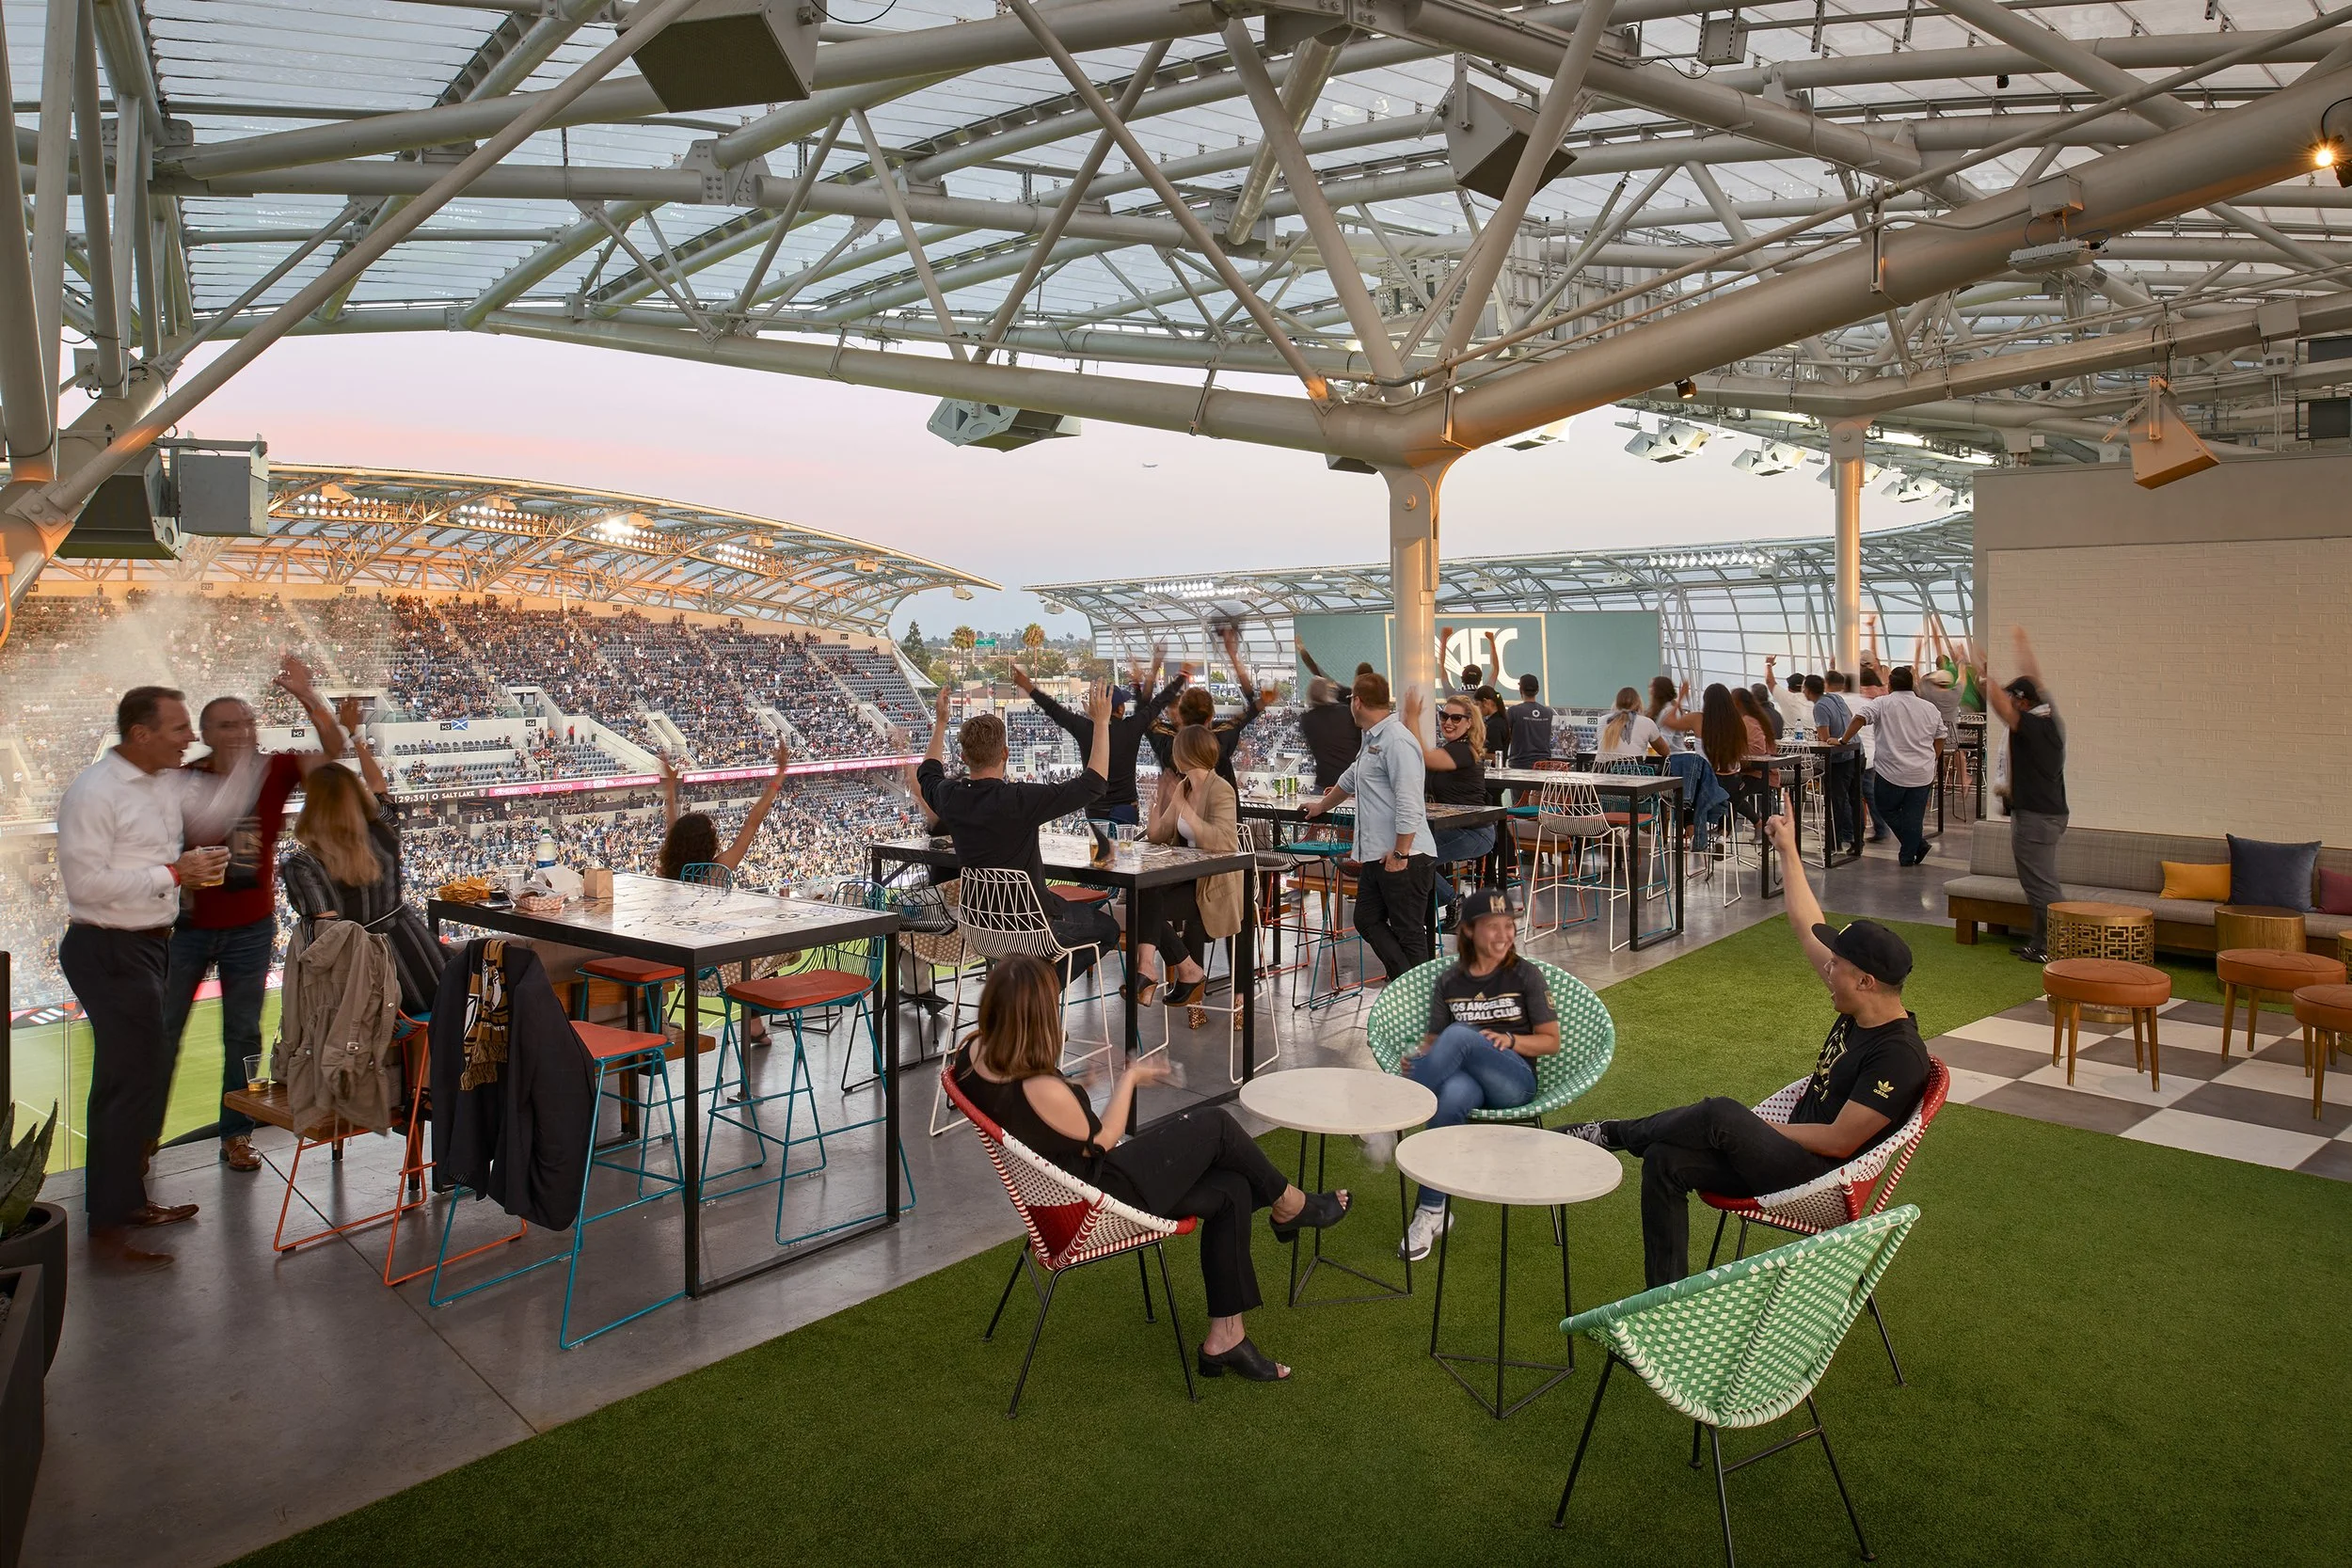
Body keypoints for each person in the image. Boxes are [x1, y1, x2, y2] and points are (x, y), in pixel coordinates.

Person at [1564, 812, 1930, 1286]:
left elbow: (1840, 1141)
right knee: (1664, 1160)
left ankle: (1610, 1133)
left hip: (1820, 1177)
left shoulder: (1898, 1055)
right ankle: (1665, 1298)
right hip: (1784, 1156)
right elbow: (1808, 925)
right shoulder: (1862, 1005)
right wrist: (1788, 850)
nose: (1827, 969)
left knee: (1721, 1114)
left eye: (1836, 965)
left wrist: (1755, 1128)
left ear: (1865, 981)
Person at [952, 955, 1348, 1381]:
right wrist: (1130, 1078)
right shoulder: (1040, 1087)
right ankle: (1290, 1203)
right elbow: (1103, 1140)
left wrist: (1077, 1087)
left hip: (1059, 1196)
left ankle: (1226, 1339)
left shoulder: (973, 1053)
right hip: (1098, 1201)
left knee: (1232, 1189)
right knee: (1217, 1126)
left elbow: (1033, 1116)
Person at [56, 687, 224, 1268]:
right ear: (140, 734)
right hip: (108, 948)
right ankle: (107, 1228)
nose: (189, 738)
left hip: (149, 946)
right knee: (126, 1085)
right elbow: (85, 886)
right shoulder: (94, 792)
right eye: (179, 728)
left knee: (140, 1078)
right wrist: (175, 874)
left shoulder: (161, 783)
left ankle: (126, 1204)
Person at [166, 654, 344, 1174]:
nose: (241, 732)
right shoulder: (182, 779)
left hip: (250, 927)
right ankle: (140, 1142)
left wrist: (307, 695)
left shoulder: (273, 769)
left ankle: (237, 1136)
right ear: (206, 734)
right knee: (164, 1031)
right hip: (187, 927)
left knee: (242, 1034)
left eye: (247, 722)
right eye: (228, 724)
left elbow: (333, 751)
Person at [919, 681, 1120, 977]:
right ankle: (1042, 992)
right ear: (1005, 753)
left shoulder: (950, 796)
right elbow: (1094, 784)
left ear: (963, 757)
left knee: (1062, 908)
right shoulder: (1021, 799)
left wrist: (940, 723)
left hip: (979, 929)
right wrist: (1101, 724)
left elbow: (928, 772)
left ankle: (1026, 990)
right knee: (1109, 929)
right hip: (1033, 928)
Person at [1396, 888, 1555, 1260]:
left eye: (1508, 925)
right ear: (1468, 930)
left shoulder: (1525, 975)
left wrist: (1510, 1040)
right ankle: (1432, 1211)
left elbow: (1550, 1041)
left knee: (1461, 1035)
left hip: (1514, 1082)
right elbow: (1434, 1042)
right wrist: (1420, 1059)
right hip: (1470, 1082)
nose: (1504, 935)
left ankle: (1394, 1116)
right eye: (1493, 926)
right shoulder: (1450, 981)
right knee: (1450, 1097)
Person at [1303, 672, 1433, 984]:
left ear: (1357, 702)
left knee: (1409, 932)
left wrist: (1400, 853)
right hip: (1377, 854)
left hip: (1404, 856)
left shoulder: (1397, 741)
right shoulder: (1373, 738)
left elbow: (1410, 801)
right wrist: (1321, 806)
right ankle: (1406, 985)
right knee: (1365, 918)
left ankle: (1419, 999)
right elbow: (1350, 778)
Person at [1136, 724, 1243, 1026]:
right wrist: (1157, 804)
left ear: (1185, 754)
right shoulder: (1183, 787)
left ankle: (1166, 971)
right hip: (1189, 881)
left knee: (1147, 903)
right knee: (1144, 893)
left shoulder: (1221, 789)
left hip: (1216, 886)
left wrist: (1184, 808)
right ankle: (1158, 969)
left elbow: (1224, 841)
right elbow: (1158, 835)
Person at [1013, 645, 1182, 826]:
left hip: (1094, 809)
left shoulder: (1084, 728)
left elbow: (1054, 709)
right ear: (1120, 709)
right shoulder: (1131, 727)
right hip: (1126, 809)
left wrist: (1028, 686)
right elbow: (1158, 703)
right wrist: (1182, 676)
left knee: (1098, 845)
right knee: (1125, 844)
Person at [1986, 628, 2066, 962]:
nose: (2011, 704)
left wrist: (1982, 673)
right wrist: (2022, 645)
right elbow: (2036, 680)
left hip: (2035, 817)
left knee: (2040, 885)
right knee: (2038, 882)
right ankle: (2040, 941)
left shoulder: (2033, 727)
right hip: (2046, 814)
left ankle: (2052, 946)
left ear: (2023, 702)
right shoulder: (2048, 716)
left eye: (2014, 699)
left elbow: (2003, 708)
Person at [1837, 666, 1946, 867]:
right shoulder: (1929, 707)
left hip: (1891, 772)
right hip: (1922, 773)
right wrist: (1933, 758)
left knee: (1885, 808)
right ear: (1912, 684)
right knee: (1914, 817)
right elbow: (1941, 736)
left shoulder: (1882, 703)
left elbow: (1859, 718)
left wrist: (1843, 740)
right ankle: (1909, 854)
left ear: (1890, 686)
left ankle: (1917, 846)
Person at [1399, 689, 1492, 923]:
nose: (1448, 722)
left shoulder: (1464, 750)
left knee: (1413, 857)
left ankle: (1451, 900)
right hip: (1450, 827)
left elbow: (1425, 757)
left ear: (1469, 723)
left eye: (1456, 718)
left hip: (1474, 832)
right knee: (1406, 852)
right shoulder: (1451, 748)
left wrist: (1412, 717)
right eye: (1444, 716)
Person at [655, 735, 792, 880]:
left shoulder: (667, 873)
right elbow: (753, 822)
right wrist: (780, 774)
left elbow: (673, 830)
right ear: (708, 843)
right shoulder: (716, 872)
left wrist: (670, 785)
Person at [1149, 625, 1259, 792]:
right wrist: (1233, 656)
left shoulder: (1166, 738)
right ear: (1210, 716)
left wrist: (1157, 665)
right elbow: (1253, 706)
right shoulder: (1221, 734)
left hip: (1183, 806)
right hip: (1223, 806)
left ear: (1181, 715)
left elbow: (1145, 709)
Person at [1807, 673, 1862, 855]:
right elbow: (1850, 717)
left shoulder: (1819, 707)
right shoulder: (1835, 698)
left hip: (1841, 758)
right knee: (1855, 799)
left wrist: (1826, 738)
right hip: (1857, 752)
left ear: (1807, 690)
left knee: (1836, 802)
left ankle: (1834, 843)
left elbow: (1824, 738)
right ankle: (1857, 841)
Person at [1295, 665, 1361, 792]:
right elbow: (1350, 696)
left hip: (1324, 784)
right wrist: (1339, 688)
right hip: (1351, 781)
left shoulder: (1306, 720)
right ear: (1329, 693)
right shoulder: (1346, 713)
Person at [1594, 687, 1669, 766]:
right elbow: (1665, 751)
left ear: (1616, 703)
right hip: (1633, 771)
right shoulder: (1647, 722)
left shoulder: (1603, 720)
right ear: (1639, 703)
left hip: (1601, 770)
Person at [1504, 673, 1554, 768]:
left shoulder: (1513, 711)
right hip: (1544, 765)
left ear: (1521, 690)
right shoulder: (1548, 712)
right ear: (1537, 690)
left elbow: (1506, 736)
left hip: (1520, 765)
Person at [1764, 656, 1814, 738]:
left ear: (1789, 688)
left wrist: (1768, 664)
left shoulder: (1787, 698)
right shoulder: (1813, 700)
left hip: (1790, 742)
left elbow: (1769, 681)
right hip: (1812, 741)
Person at [1475, 685, 1510, 761]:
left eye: (1477, 704)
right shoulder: (1501, 720)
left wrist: (1476, 754)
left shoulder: (1493, 725)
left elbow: (1496, 756)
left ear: (1485, 702)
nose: (1476, 709)